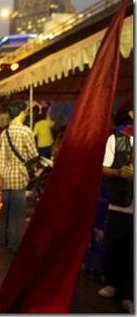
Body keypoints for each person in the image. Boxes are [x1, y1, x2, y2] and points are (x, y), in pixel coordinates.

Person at [98, 99, 134, 314]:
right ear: (131, 113)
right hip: (120, 204)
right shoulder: (117, 139)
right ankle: (114, 284)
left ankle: (130, 294)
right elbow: (102, 168)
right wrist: (119, 172)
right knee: (115, 246)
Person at [0, 100, 38, 251]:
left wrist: (0, 177)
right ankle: (14, 244)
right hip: (20, 178)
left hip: (6, 178)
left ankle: (2, 239)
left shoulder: (4, 133)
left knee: (5, 210)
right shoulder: (26, 131)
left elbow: (1, 158)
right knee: (17, 213)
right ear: (21, 113)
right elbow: (33, 155)